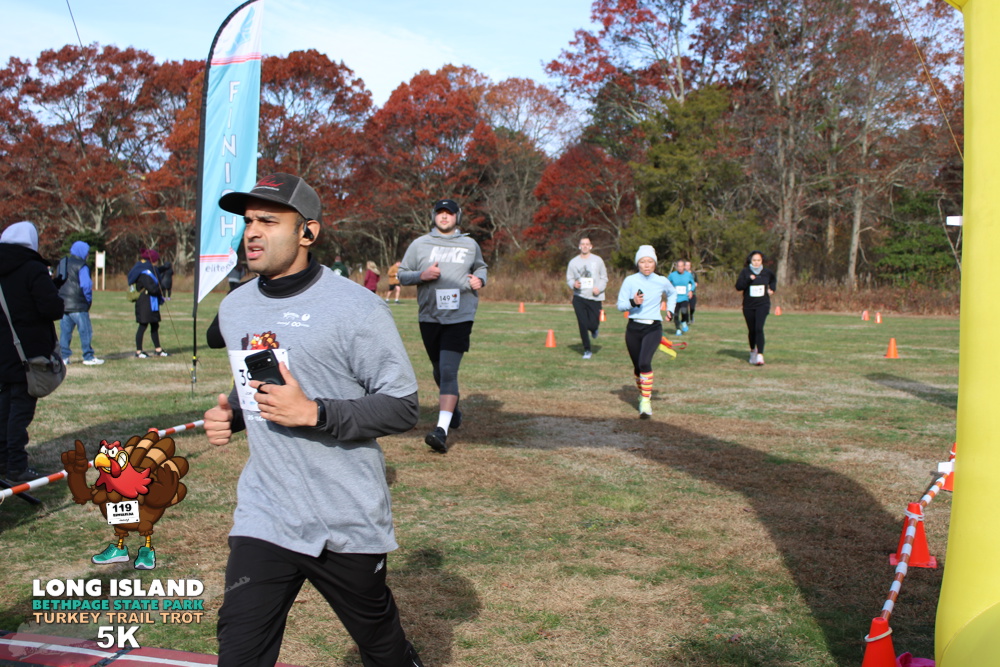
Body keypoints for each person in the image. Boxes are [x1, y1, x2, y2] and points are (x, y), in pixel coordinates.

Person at [203, 172, 425, 667]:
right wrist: (233, 416)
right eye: (248, 222)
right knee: (239, 649)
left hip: (345, 517)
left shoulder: (357, 308)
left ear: (308, 232)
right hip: (266, 513)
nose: (252, 233)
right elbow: (260, 384)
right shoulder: (235, 306)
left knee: (382, 648)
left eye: (268, 221)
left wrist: (315, 413)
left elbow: (403, 406)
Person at [398, 198, 487, 453]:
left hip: (460, 315)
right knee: (438, 370)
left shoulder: (469, 244)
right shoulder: (420, 244)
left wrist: (480, 279)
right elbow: (402, 274)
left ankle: (441, 430)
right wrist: (422, 275)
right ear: (434, 216)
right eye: (440, 212)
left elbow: (481, 267)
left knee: (448, 371)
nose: (444, 216)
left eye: (449, 213)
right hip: (430, 316)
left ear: (457, 216)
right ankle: (453, 410)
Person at [0, 222, 65, 482]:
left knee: (5, 407)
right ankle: (16, 465)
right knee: (20, 411)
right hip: (28, 352)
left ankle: (4, 460)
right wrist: (54, 290)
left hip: (4, 351)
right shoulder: (32, 268)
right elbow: (52, 309)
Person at [616, 245, 676, 419]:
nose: (647, 265)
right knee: (637, 368)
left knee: (644, 363)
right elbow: (620, 305)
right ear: (638, 264)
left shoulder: (661, 280)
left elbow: (672, 294)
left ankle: (645, 401)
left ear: (655, 263)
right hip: (634, 328)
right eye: (643, 261)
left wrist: (670, 309)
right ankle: (643, 393)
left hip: (653, 328)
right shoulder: (630, 281)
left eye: (650, 261)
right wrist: (633, 302)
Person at [57, 240, 103, 365]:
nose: (88, 255)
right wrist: (88, 300)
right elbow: (86, 285)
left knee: (65, 333)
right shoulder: (82, 265)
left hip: (63, 304)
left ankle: (64, 357)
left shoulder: (63, 263)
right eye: (87, 252)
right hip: (78, 304)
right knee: (85, 331)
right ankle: (88, 356)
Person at [565, 237, 607, 359]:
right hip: (579, 297)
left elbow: (604, 277)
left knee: (593, 324)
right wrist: (573, 284)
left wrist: (599, 288)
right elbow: (569, 278)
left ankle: (594, 330)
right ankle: (587, 350)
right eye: (582, 244)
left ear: (591, 246)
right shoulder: (573, 262)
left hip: (595, 297)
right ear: (579, 246)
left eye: (587, 244)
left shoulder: (597, 260)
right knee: (582, 323)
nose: (584, 246)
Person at [735, 250, 777, 366]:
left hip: (763, 304)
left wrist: (772, 289)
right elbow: (738, 287)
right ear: (750, 261)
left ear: (762, 261)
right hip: (749, 305)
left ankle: (760, 355)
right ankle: (753, 351)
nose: (756, 262)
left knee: (759, 328)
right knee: (752, 330)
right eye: (754, 260)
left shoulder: (767, 272)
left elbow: (773, 280)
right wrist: (749, 279)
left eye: (758, 260)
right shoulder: (745, 272)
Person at [127, 249, 168, 358]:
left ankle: (158, 349)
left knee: (155, 325)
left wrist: (164, 268)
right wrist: (162, 287)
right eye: (156, 260)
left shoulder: (147, 268)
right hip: (145, 303)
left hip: (151, 302)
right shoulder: (145, 272)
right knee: (143, 325)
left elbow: (156, 273)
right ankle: (139, 351)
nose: (157, 262)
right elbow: (151, 288)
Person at [666, 259, 695, 336]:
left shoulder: (688, 275)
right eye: (678, 266)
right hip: (675, 298)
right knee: (675, 315)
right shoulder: (672, 275)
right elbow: (666, 283)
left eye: (681, 266)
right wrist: (669, 290)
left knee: (684, 311)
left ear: (684, 267)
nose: (680, 268)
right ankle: (678, 329)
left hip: (684, 297)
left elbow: (693, 284)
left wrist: (691, 291)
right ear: (676, 267)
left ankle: (683, 321)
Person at [685, 260, 698, 324]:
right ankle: (686, 319)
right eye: (686, 265)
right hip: (685, 294)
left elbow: (696, 282)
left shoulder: (694, 274)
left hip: (693, 293)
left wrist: (694, 286)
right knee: (685, 307)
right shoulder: (682, 274)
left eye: (688, 265)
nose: (687, 266)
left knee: (692, 307)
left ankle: (691, 315)